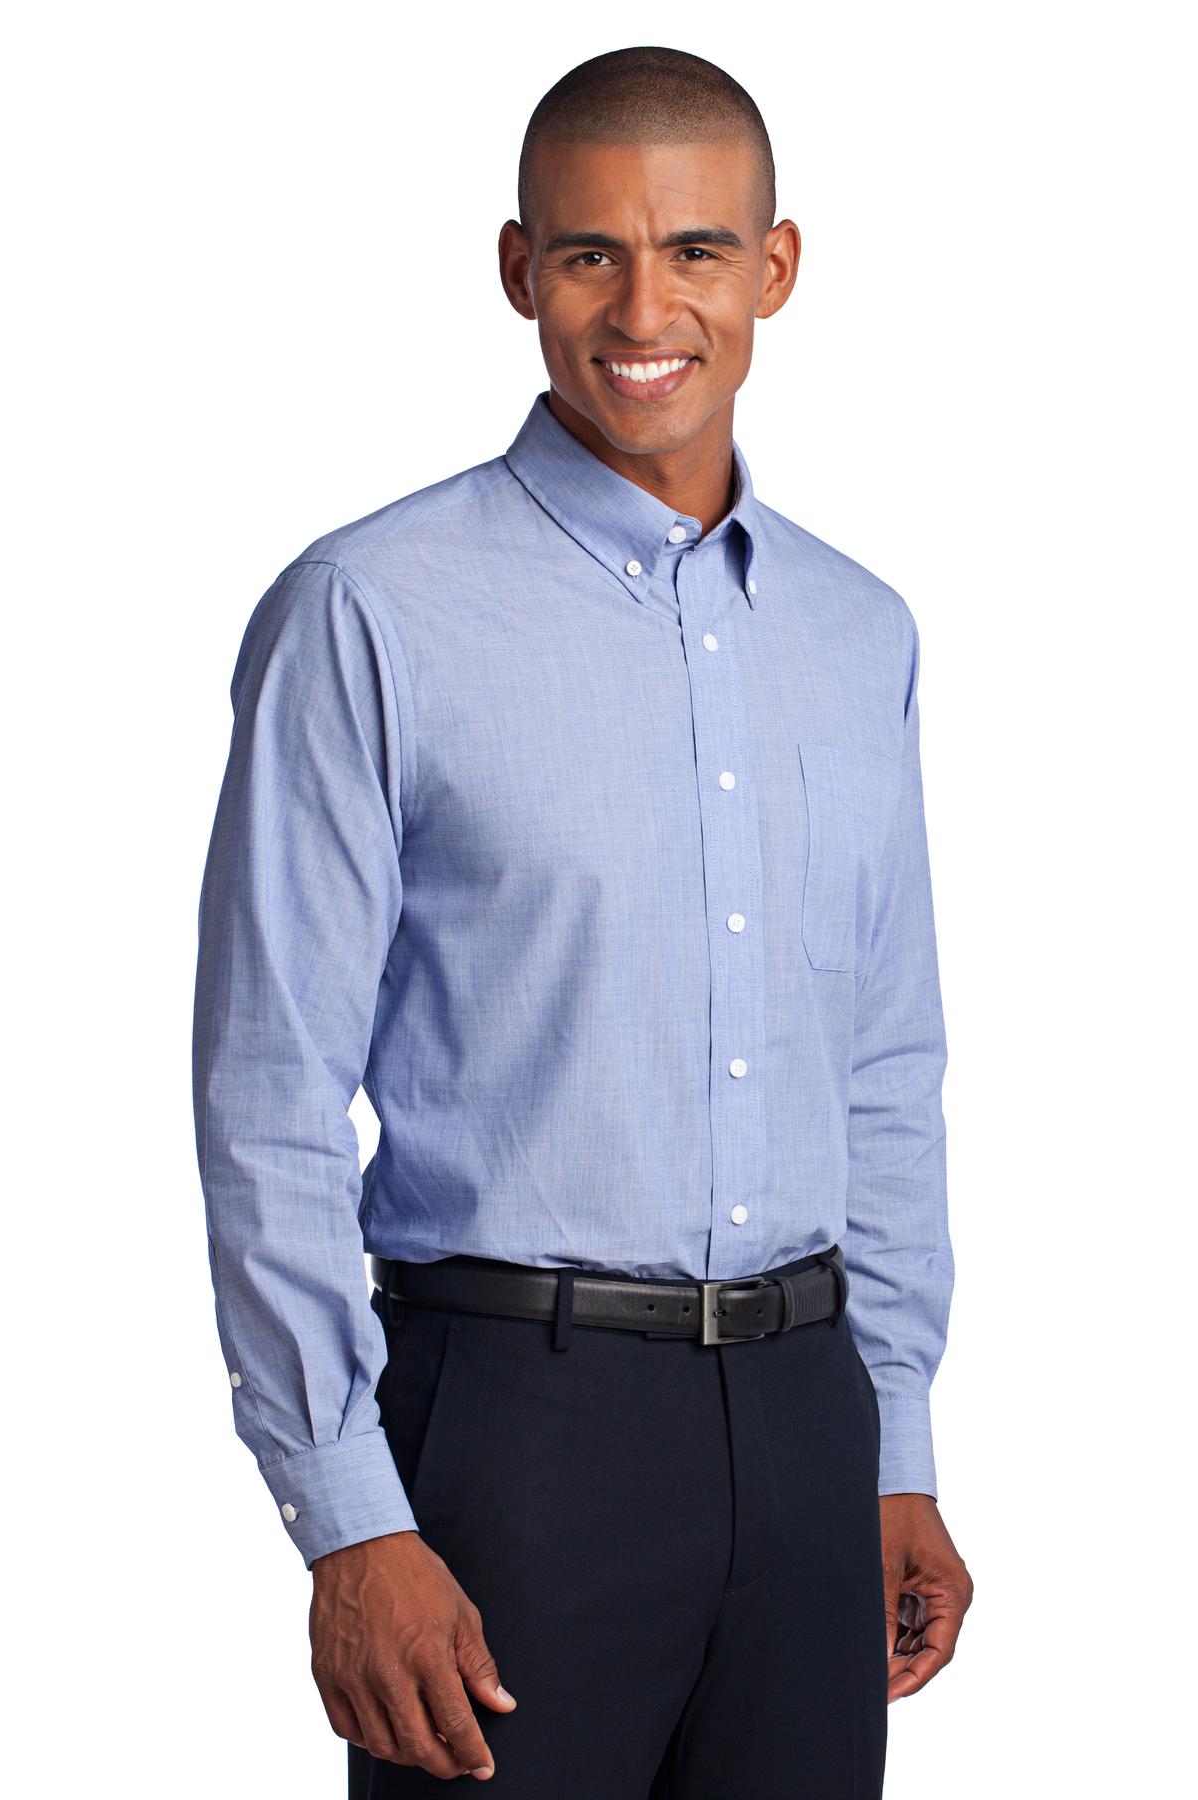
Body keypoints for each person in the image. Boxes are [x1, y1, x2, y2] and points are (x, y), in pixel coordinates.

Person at [191, 43, 973, 1798]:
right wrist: (348, 1518)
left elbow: (885, 1064)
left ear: (775, 268)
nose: (644, 309)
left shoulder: (860, 632)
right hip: (514, 1437)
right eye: (588, 254)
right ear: (517, 269)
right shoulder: (369, 611)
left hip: (809, 1417)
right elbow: (269, 1098)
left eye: (697, 251)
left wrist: (895, 1444)